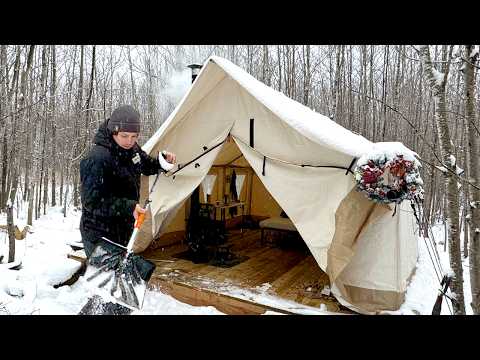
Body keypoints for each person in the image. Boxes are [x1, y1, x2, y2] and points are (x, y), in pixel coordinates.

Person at [78, 105, 175, 315]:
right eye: (124, 136)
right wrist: (128, 206)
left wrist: (160, 162)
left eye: (134, 136)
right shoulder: (97, 158)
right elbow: (91, 203)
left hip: (122, 229)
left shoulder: (131, 150)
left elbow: (144, 165)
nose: (130, 141)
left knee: (118, 289)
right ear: (113, 131)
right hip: (99, 234)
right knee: (105, 288)